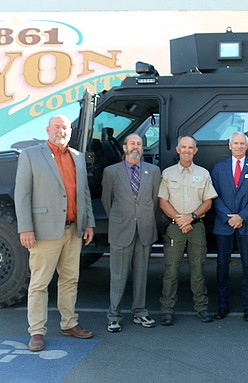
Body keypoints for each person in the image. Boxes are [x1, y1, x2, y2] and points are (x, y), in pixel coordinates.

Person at [15, 114, 95, 352]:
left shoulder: (77, 157)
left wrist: (88, 222)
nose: (62, 131)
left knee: (70, 279)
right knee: (40, 283)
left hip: (73, 230)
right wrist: (25, 228)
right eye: (58, 127)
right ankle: (37, 331)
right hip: (43, 231)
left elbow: (84, 193)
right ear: (48, 129)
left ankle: (69, 323)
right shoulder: (30, 155)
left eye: (66, 128)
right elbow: (22, 194)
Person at [101, 134, 161, 333]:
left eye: (139, 144)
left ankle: (140, 311)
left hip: (144, 229)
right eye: (132, 143)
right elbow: (106, 201)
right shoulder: (111, 172)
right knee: (118, 275)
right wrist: (121, 218)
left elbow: (154, 202)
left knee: (141, 274)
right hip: (121, 229)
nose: (136, 146)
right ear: (125, 147)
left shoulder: (153, 171)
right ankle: (114, 315)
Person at [157, 136, 218, 325]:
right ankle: (167, 310)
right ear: (177, 150)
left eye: (190, 148)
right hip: (175, 228)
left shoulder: (203, 173)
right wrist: (179, 219)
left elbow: (208, 201)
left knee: (198, 269)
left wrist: (190, 217)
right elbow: (162, 201)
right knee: (171, 270)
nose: (187, 150)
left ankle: (202, 308)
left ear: (195, 151)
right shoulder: (167, 173)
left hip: (196, 226)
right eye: (183, 147)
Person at [211, 132, 248, 321]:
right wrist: (229, 218)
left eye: (242, 143)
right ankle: (222, 305)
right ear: (229, 145)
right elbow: (214, 196)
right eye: (236, 143)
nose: (239, 146)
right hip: (224, 224)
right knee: (222, 265)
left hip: (247, 224)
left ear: (247, 146)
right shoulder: (218, 168)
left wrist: (242, 216)